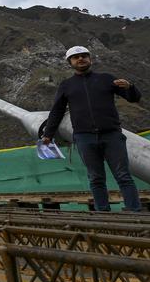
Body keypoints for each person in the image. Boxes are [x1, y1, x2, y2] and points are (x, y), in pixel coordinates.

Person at [41, 46, 143, 212]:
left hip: (111, 135)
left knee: (123, 176)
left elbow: (134, 98)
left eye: (84, 56)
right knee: (95, 178)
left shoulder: (106, 79)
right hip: (84, 137)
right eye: (76, 57)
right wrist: (48, 134)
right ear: (70, 62)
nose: (80, 59)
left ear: (90, 59)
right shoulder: (66, 85)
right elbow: (57, 111)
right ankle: (102, 212)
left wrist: (130, 87)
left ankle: (135, 211)